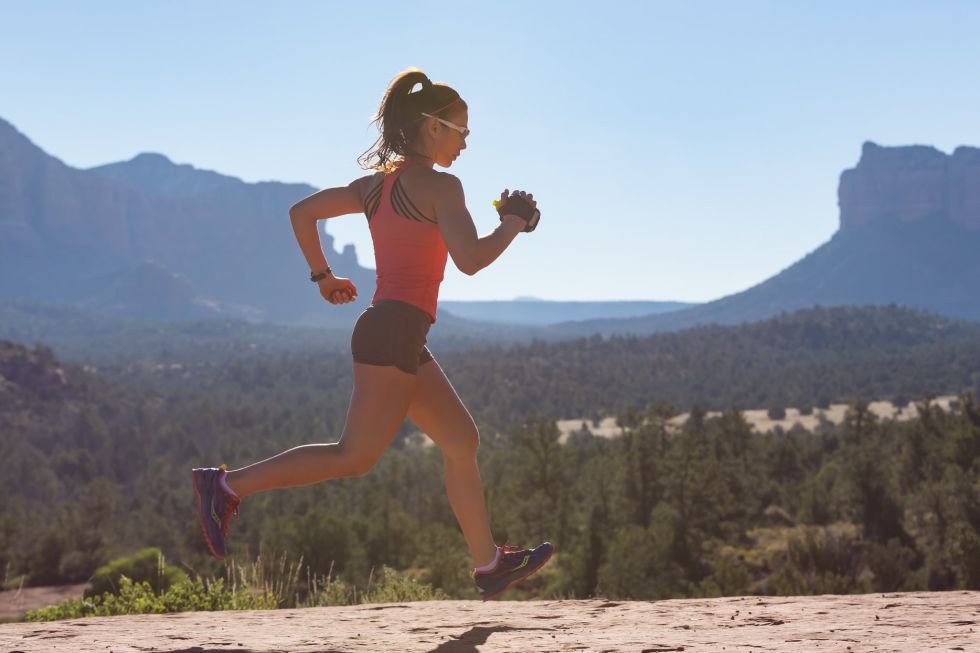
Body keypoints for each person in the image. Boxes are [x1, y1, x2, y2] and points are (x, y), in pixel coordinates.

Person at [192, 68, 553, 602]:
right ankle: (223, 486)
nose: (465, 143)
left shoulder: (374, 186)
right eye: (461, 131)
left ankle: (489, 564)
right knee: (353, 457)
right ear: (432, 128)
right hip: (391, 334)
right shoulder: (441, 185)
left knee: (461, 441)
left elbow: (302, 212)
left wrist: (323, 277)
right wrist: (514, 224)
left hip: (396, 332)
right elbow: (471, 260)